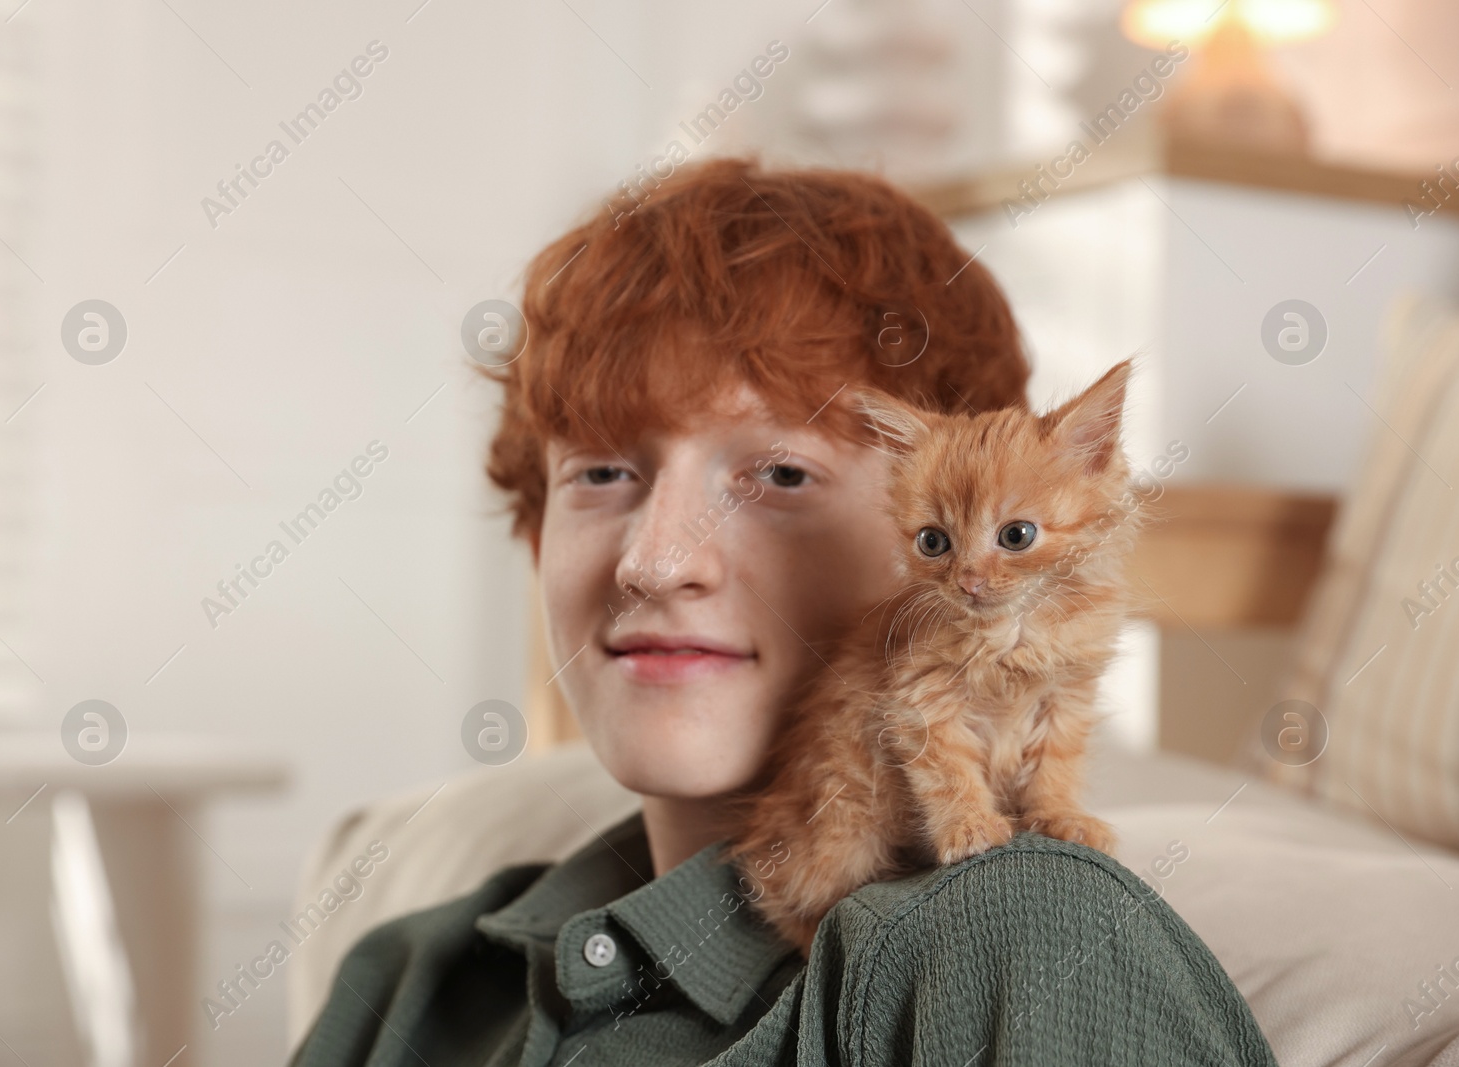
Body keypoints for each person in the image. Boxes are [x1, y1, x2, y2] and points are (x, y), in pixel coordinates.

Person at [289, 158, 1277, 1066]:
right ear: (535, 527)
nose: (654, 560)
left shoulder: (1014, 940)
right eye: (600, 470)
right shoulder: (410, 976)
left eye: (780, 472)